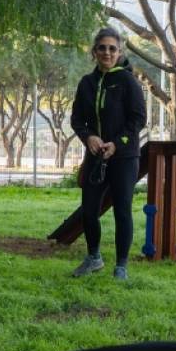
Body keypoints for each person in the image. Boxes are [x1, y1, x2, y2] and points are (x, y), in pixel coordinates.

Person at [70, 27, 147, 280]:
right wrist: (89, 137)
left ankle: (121, 266)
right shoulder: (86, 83)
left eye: (112, 48)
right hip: (95, 156)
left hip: (124, 157)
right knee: (89, 210)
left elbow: (138, 119)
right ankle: (94, 257)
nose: (107, 52)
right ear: (94, 52)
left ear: (119, 52)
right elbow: (77, 119)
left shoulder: (128, 81)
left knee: (121, 210)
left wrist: (117, 143)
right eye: (102, 48)